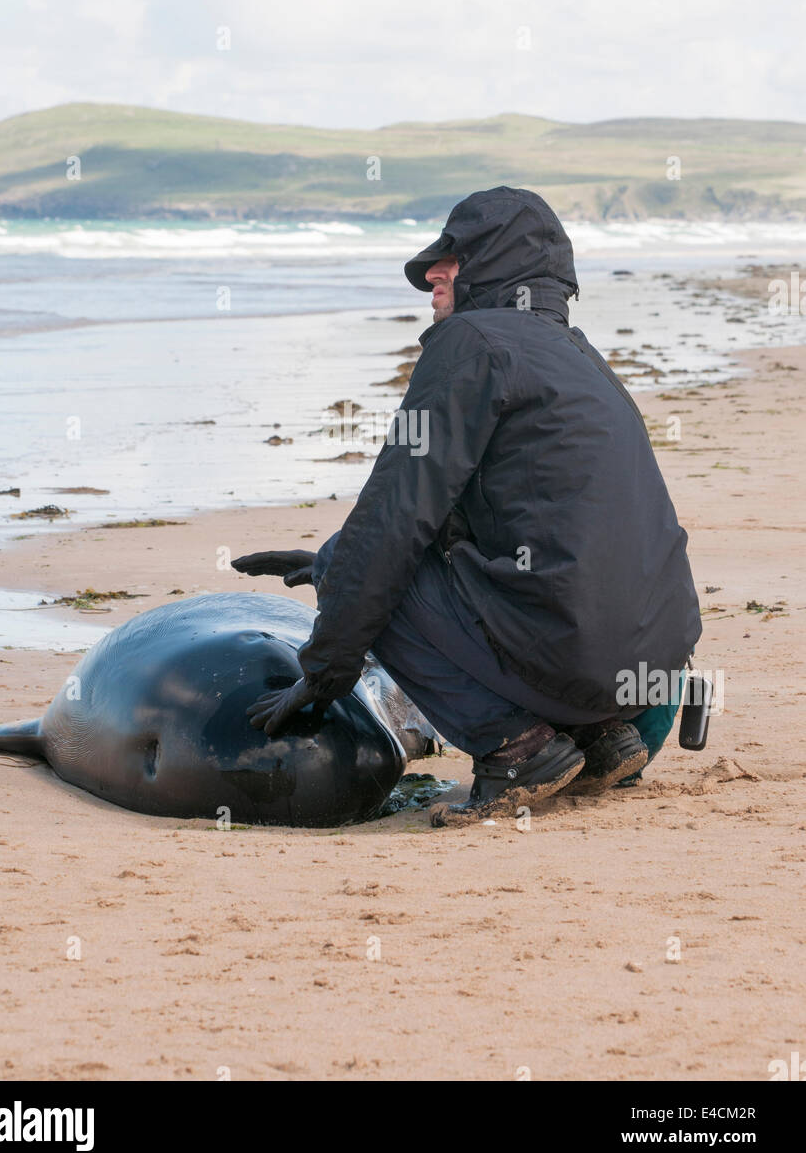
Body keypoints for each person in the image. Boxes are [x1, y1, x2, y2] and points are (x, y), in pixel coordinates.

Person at [233, 187, 701, 814]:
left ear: (496, 265)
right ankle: (598, 739)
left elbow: (391, 523)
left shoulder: (472, 344)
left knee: (358, 555)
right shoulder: (579, 354)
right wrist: (333, 570)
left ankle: (515, 749)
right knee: (367, 562)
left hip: (579, 659)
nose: (432, 273)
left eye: (453, 256)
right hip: (649, 677)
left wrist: (325, 670)